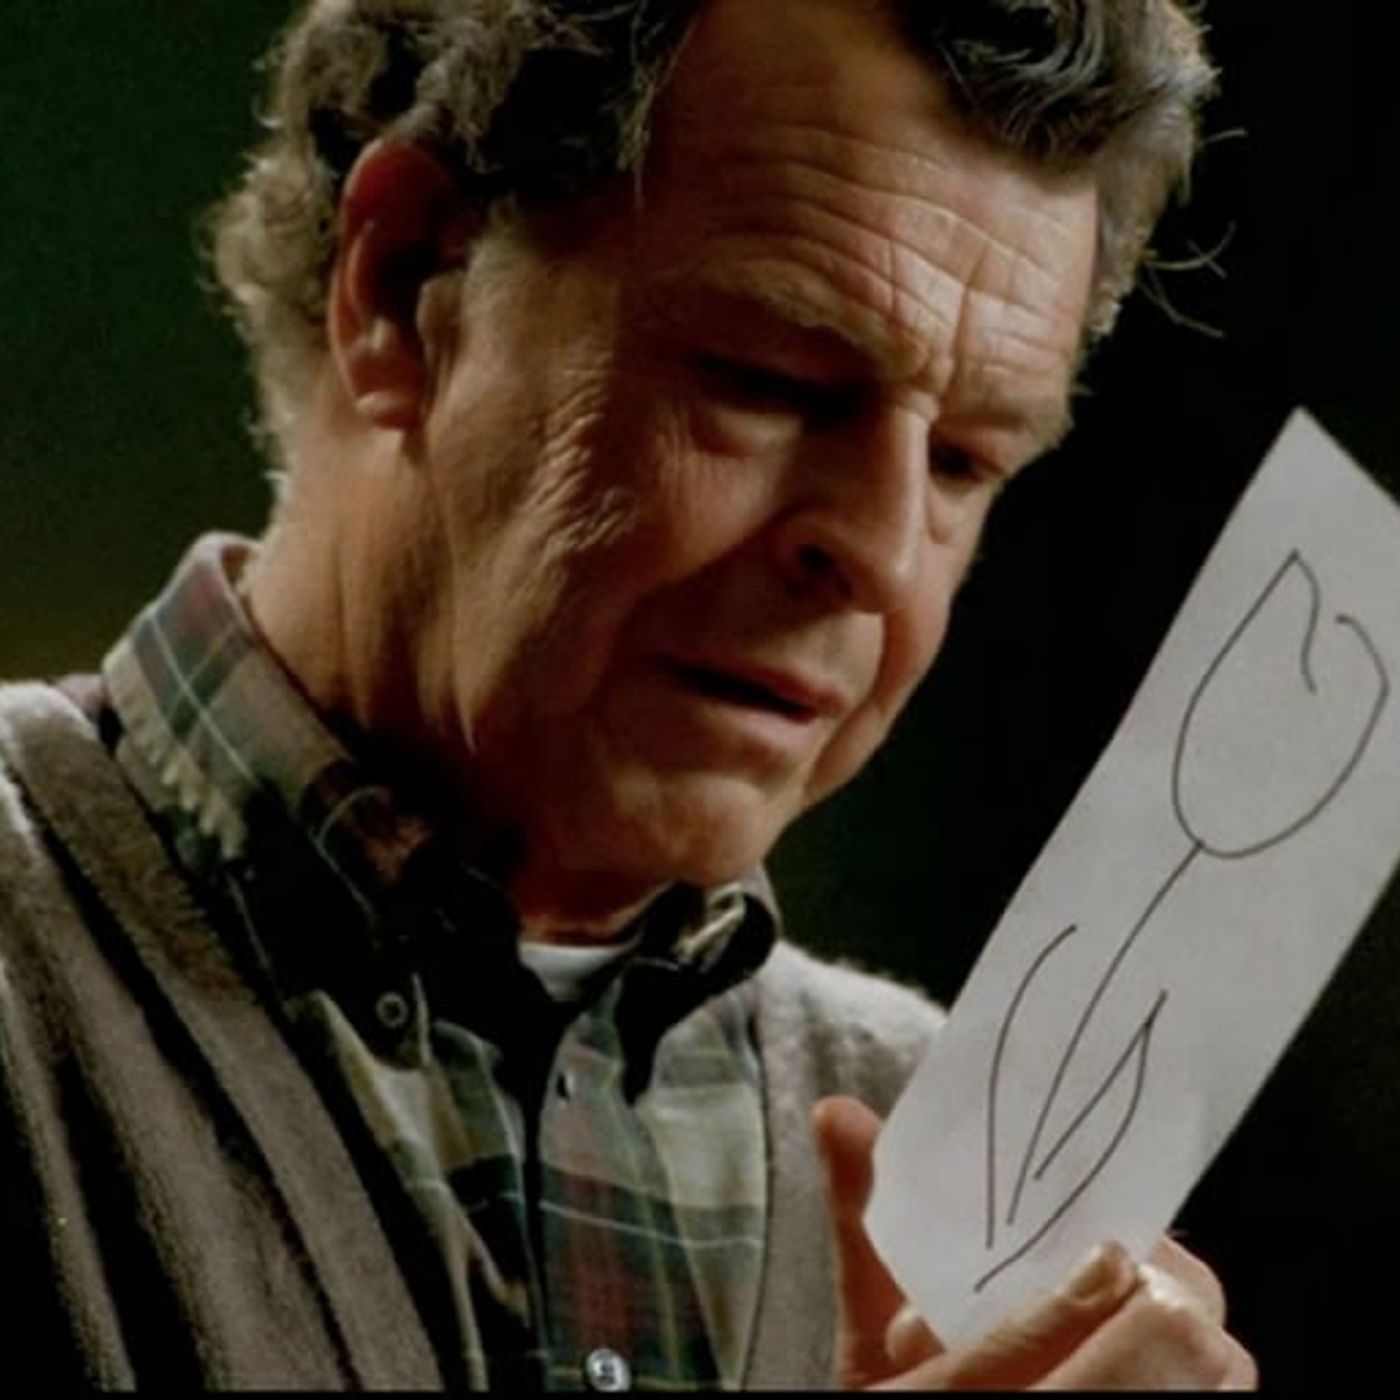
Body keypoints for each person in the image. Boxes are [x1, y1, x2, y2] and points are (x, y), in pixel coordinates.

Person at [0, 0, 1256, 1388]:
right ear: (403, 288)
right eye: (769, 381)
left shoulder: (945, 1163)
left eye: (964, 462)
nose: (883, 556)